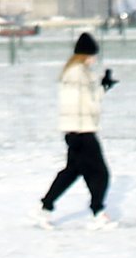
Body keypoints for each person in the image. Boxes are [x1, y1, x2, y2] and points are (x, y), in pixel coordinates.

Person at [37, 31, 117, 228]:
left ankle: (44, 209)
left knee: (71, 172)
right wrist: (102, 88)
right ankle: (98, 213)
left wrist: (102, 86)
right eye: (93, 55)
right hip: (82, 131)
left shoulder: (72, 72)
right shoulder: (80, 74)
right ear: (86, 54)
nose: (94, 59)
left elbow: (84, 100)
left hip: (73, 131)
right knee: (100, 173)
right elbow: (88, 105)